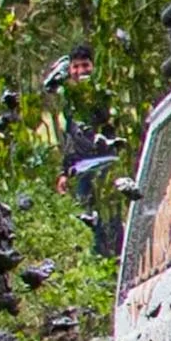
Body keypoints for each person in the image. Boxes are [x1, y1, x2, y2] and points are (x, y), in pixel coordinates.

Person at [50, 43, 123, 256]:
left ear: (93, 66)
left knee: (112, 216)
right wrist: (64, 172)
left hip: (106, 164)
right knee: (89, 219)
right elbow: (71, 137)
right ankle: (100, 261)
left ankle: (118, 258)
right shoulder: (69, 101)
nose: (81, 71)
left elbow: (112, 126)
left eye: (85, 65)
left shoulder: (103, 94)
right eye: (75, 66)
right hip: (82, 169)